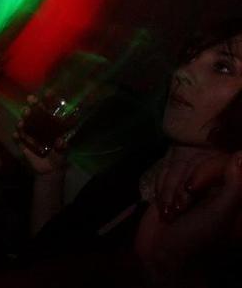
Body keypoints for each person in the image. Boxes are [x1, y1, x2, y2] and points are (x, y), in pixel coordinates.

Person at [17, 22, 242, 287]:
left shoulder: (222, 214)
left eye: (222, 67)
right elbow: (47, 258)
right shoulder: (143, 160)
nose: (182, 73)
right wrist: (50, 176)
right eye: (190, 57)